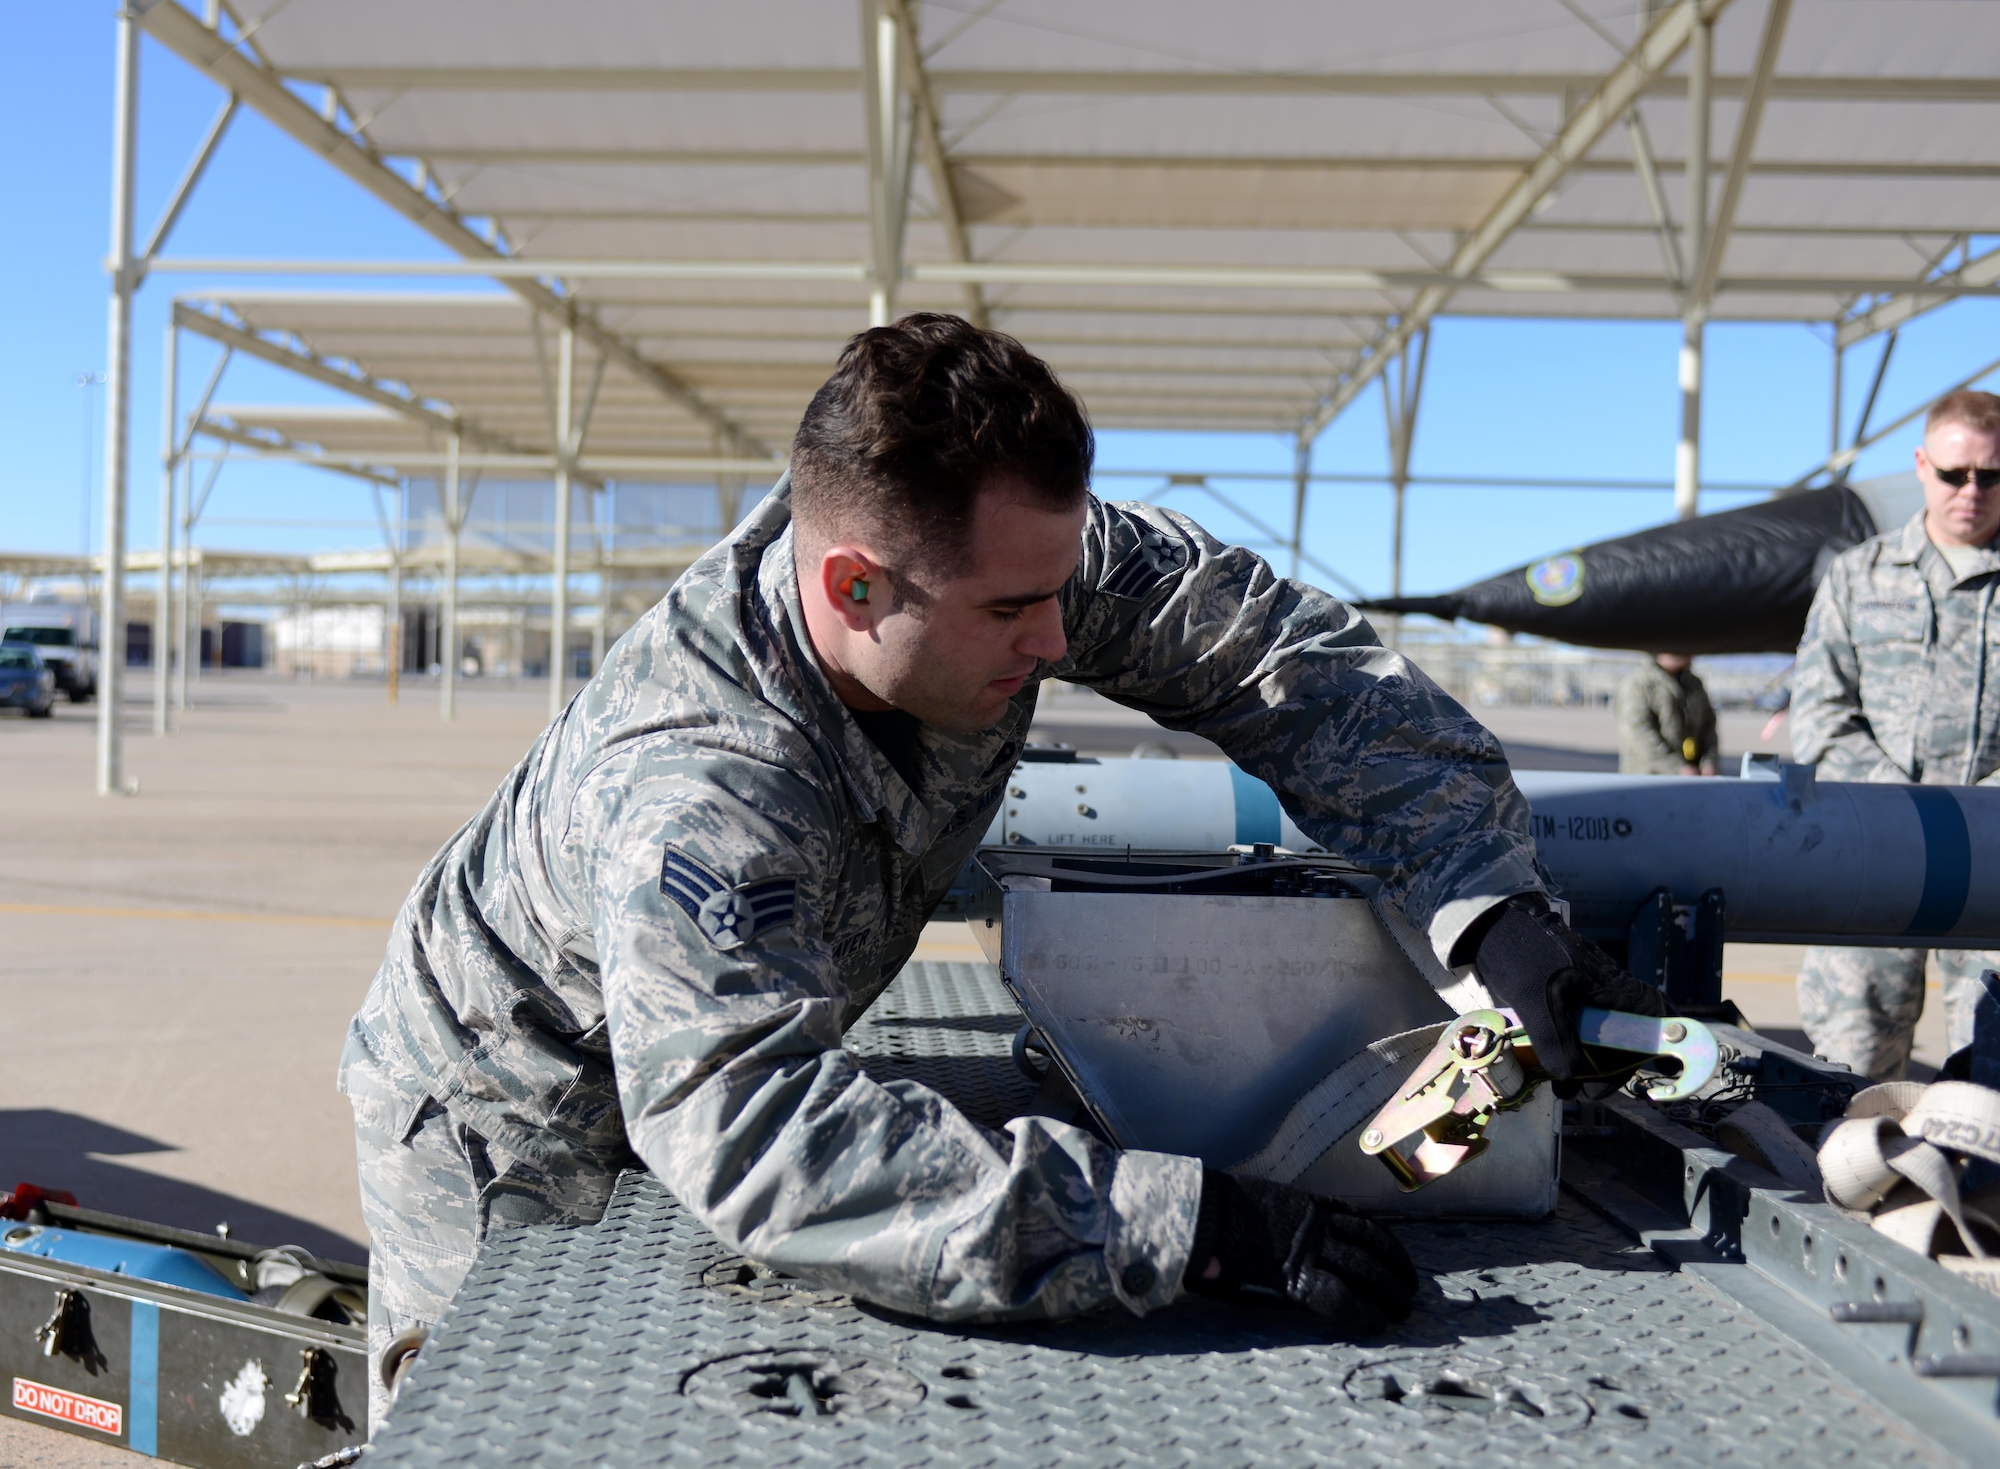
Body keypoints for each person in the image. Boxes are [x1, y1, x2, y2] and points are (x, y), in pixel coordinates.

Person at [340, 315, 1666, 1420]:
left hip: (713, 1044)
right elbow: (759, 1131)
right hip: (517, 1113)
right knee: (504, 1421)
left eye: (1060, 588)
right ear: (856, 586)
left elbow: (1295, 671)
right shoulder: (701, 780)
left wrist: (1488, 909)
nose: (1054, 636)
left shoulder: (1006, 562)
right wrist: (1183, 1224)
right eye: (1011, 611)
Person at [1791, 388, 2000, 1079]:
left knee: (1991, 1084)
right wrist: (1910, 810)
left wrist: (1978, 811)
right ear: (1921, 465)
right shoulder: (1858, 578)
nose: (1971, 491)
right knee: (1851, 1081)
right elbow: (1818, 719)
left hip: (1994, 862)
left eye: (1991, 476)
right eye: (1953, 474)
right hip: (1875, 858)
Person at [1616, 653, 1720, 775]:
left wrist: (1708, 763)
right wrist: (1678, 767)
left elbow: (1709, 727)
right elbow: (1638, 733)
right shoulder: (1638, 683)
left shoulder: (1694, 684)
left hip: (1691, 778)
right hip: (1649, 779)